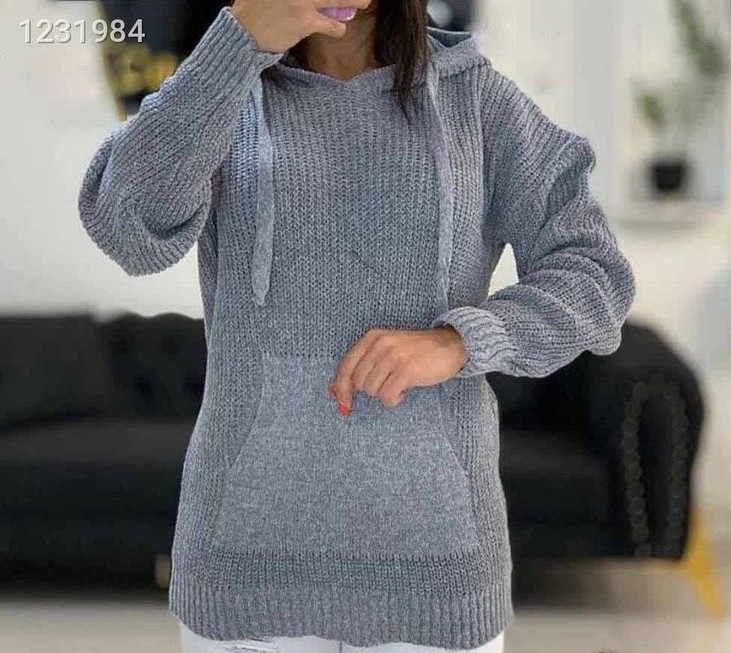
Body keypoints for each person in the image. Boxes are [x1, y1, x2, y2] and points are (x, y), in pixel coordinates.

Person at [77, 0, 637, 651]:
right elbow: (126, 228)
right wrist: (237, 42)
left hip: (437, 563)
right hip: (244, 556)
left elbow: (595, 273)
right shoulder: (225, 93)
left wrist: (461, 340)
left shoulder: (477, 101)